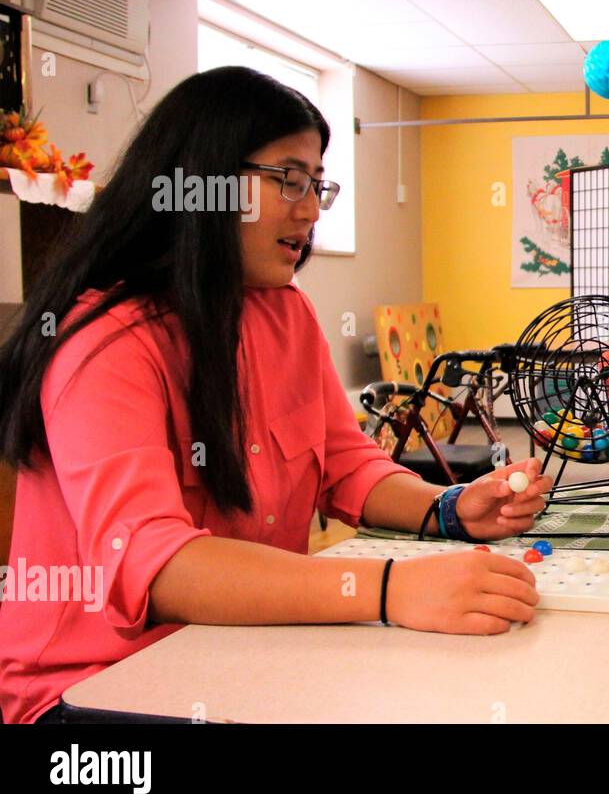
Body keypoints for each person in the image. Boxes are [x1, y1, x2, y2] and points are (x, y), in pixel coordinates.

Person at [0, 67, 552, 724]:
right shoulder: (106, 342)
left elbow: (346, 465)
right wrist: (388, 588)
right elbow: (158, 567)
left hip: (238, 654)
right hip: (90, 693)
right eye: (288, 180)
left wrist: (451, 509)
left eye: (317, 185)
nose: (311, 209)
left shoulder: (284, 314)